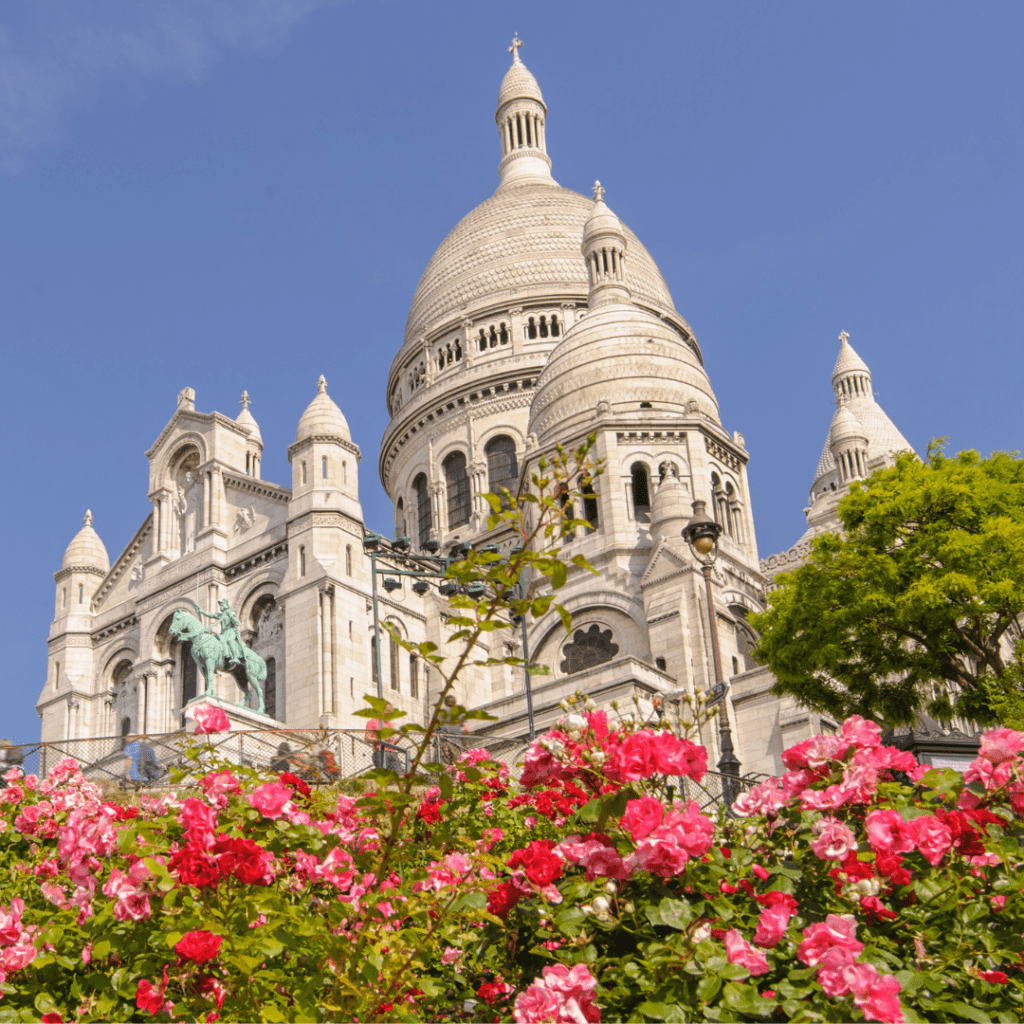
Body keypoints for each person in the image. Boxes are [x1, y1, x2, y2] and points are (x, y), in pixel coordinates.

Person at [195, 598, 245, 668]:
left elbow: (235, 621)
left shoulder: (229, 613)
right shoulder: (220, 615)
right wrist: (200, 610)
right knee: (215, 639)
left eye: (222, 604)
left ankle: (235, 657)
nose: (220, 606)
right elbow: (210, 615)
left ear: (226, 605)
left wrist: (236, 623)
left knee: (229, 640)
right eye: (220, 605)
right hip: (224, 633)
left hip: (231, 631)